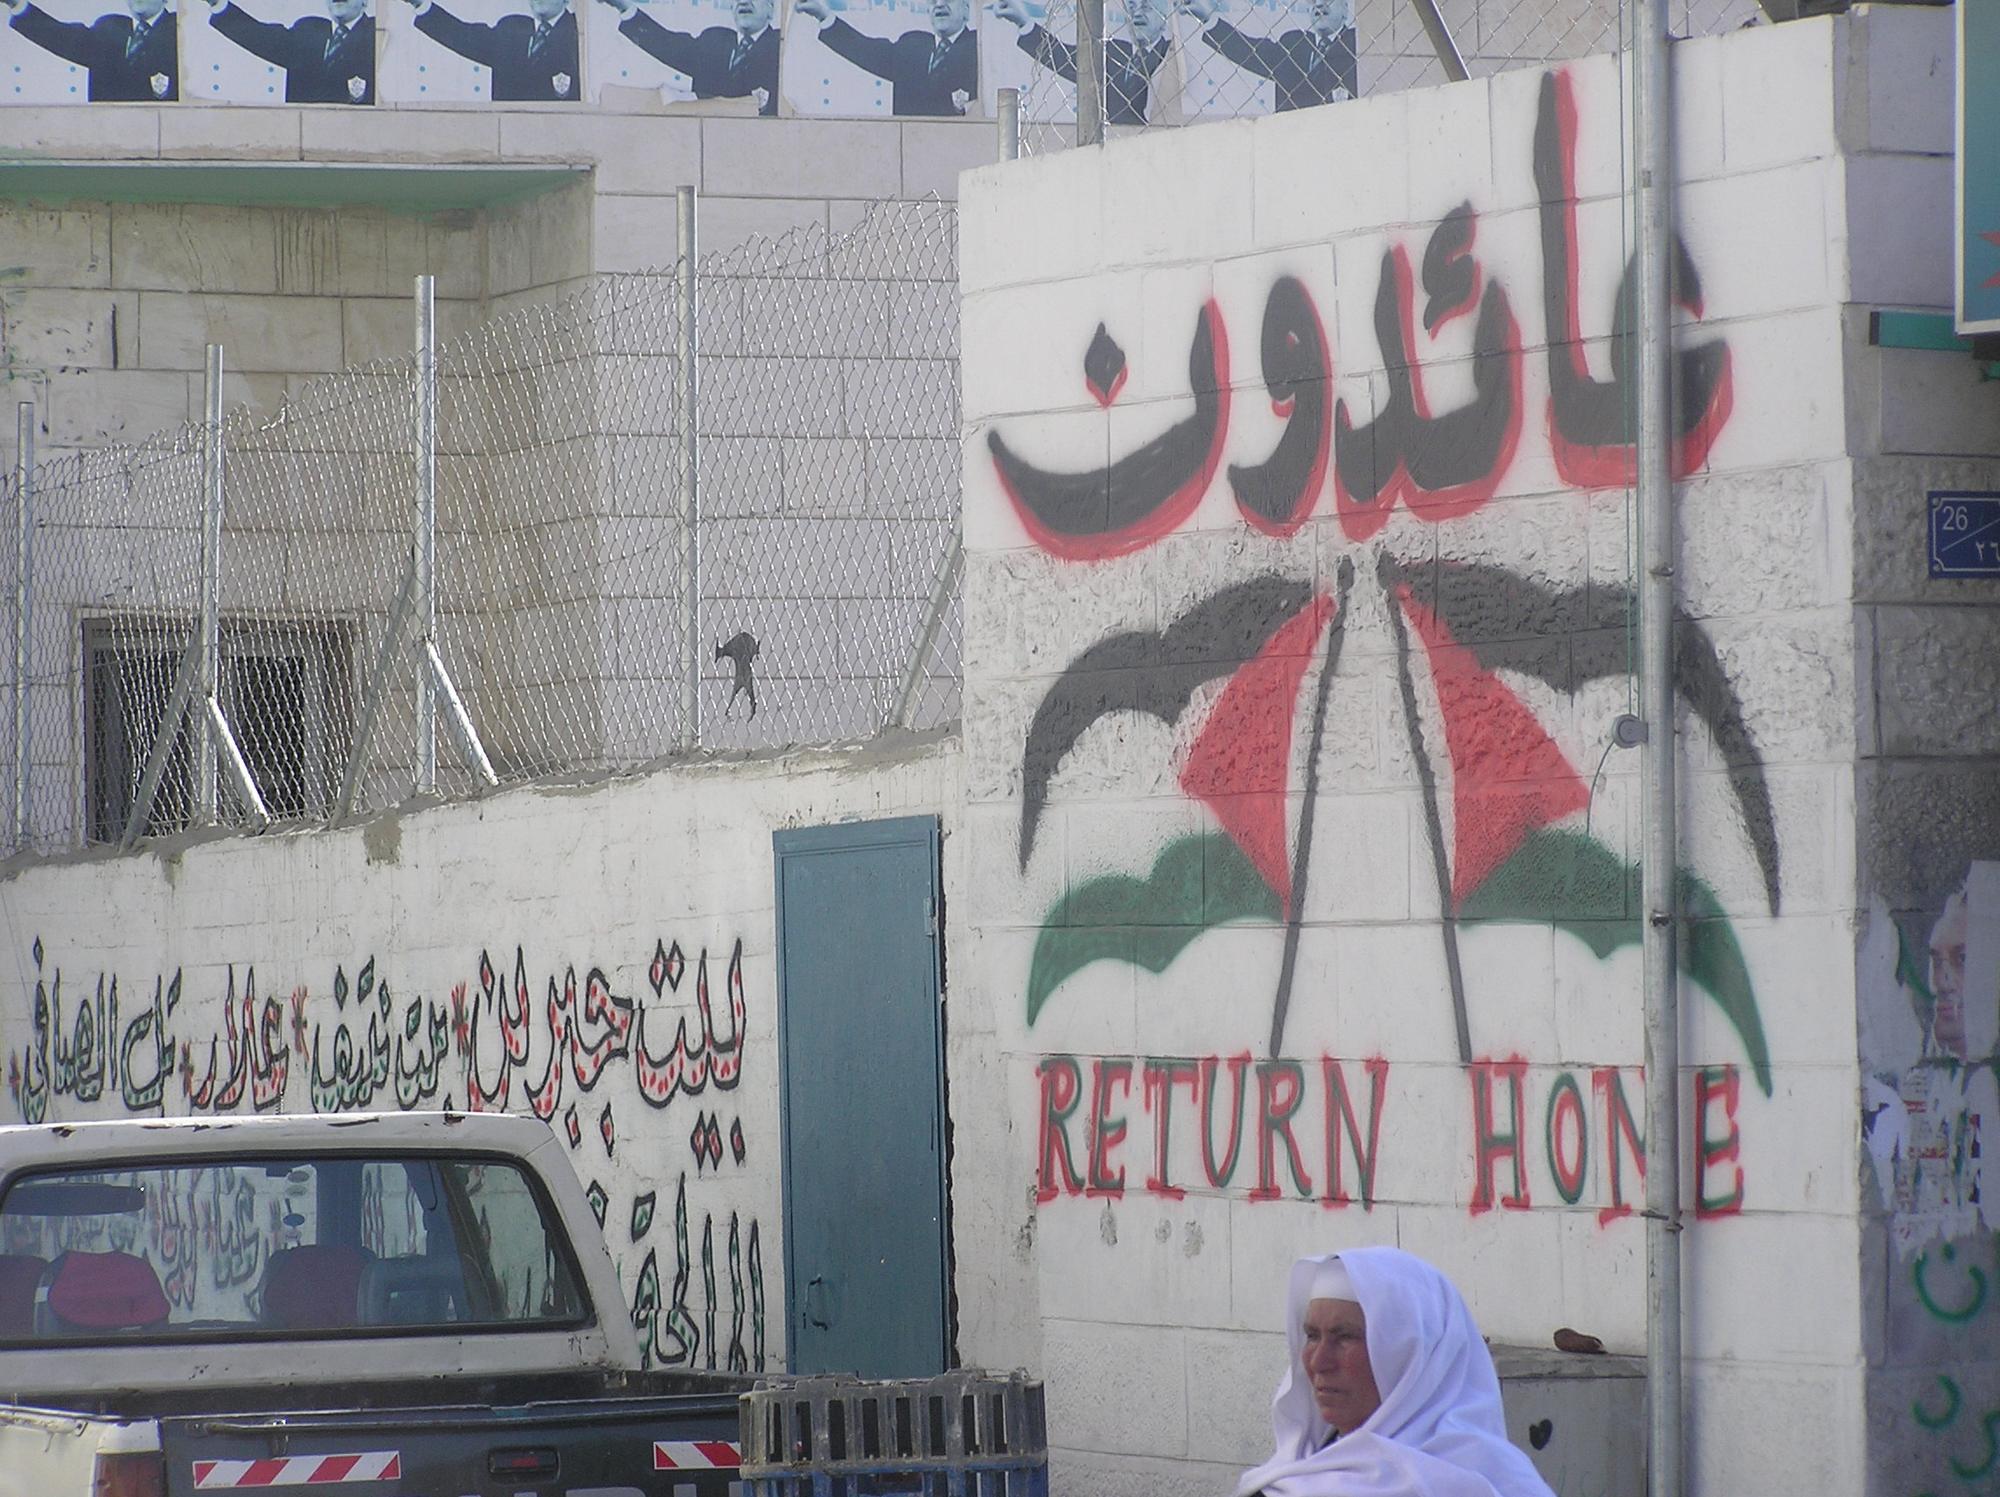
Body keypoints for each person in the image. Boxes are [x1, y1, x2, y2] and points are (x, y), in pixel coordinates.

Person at [1235, 1248, 1556, 1497]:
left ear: (1409, 1358)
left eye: (1345, 1336)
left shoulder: (1495, 1480)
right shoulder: (1291, 1478)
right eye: (1312, 1335)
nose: (1319, 1361)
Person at [992, 0, 1167, 127]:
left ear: (1165, 17)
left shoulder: (1170, 53)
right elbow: (1063, 57)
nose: (1136, 14)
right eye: (1131, 6)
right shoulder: (1115, 51)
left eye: (1145, 7)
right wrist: (1023, 21)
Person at [796, 0, 974, 117]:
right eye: (933, 1)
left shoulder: (979, 46)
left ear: (967, 10)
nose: (940, 4)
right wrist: (823, 15)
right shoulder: (911, 45)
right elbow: (864, 49)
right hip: (913, 151)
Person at [595, 0, 777, 114]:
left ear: (771, 9)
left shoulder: (782, 46)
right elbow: (668, 44)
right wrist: (624, 6)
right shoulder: (714, 39)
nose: (744, 2)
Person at [1182, 0, 1354, 113]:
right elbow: (1249, 51)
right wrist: (1209, 18)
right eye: (1314, 1)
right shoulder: (1294, 43)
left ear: (1346, 10)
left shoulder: (1356, 43)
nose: (1319, 4)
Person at [0, 0, 178, 100]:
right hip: (108, 141)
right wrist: (18, 5)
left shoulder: (180, 29)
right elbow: (60, 36)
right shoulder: (109, 29)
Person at [400, 0, 577, 99]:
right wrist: (420, 4)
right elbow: (462, 35)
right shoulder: (510, 29)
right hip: (510, 143)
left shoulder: (580, 33)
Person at [205, 0, 373, 102]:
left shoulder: (377, 33)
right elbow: (259, 37)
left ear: (365, 1)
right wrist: (218, 4)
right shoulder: (308, 30)